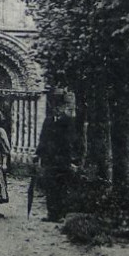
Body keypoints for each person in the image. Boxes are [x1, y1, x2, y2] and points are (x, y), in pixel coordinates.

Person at [33, 91, 80, 222]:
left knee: (62, 186)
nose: (57, 110)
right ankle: (51, 214)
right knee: (50, 186)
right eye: (55, 107)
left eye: (59, 107)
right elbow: (43, 139)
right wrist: (37, 154)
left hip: (63, 159)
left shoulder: (68, 122)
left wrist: (73, 160)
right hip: (49, 159)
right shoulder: (48, 121)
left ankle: (61, 215)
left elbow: (72, 141)